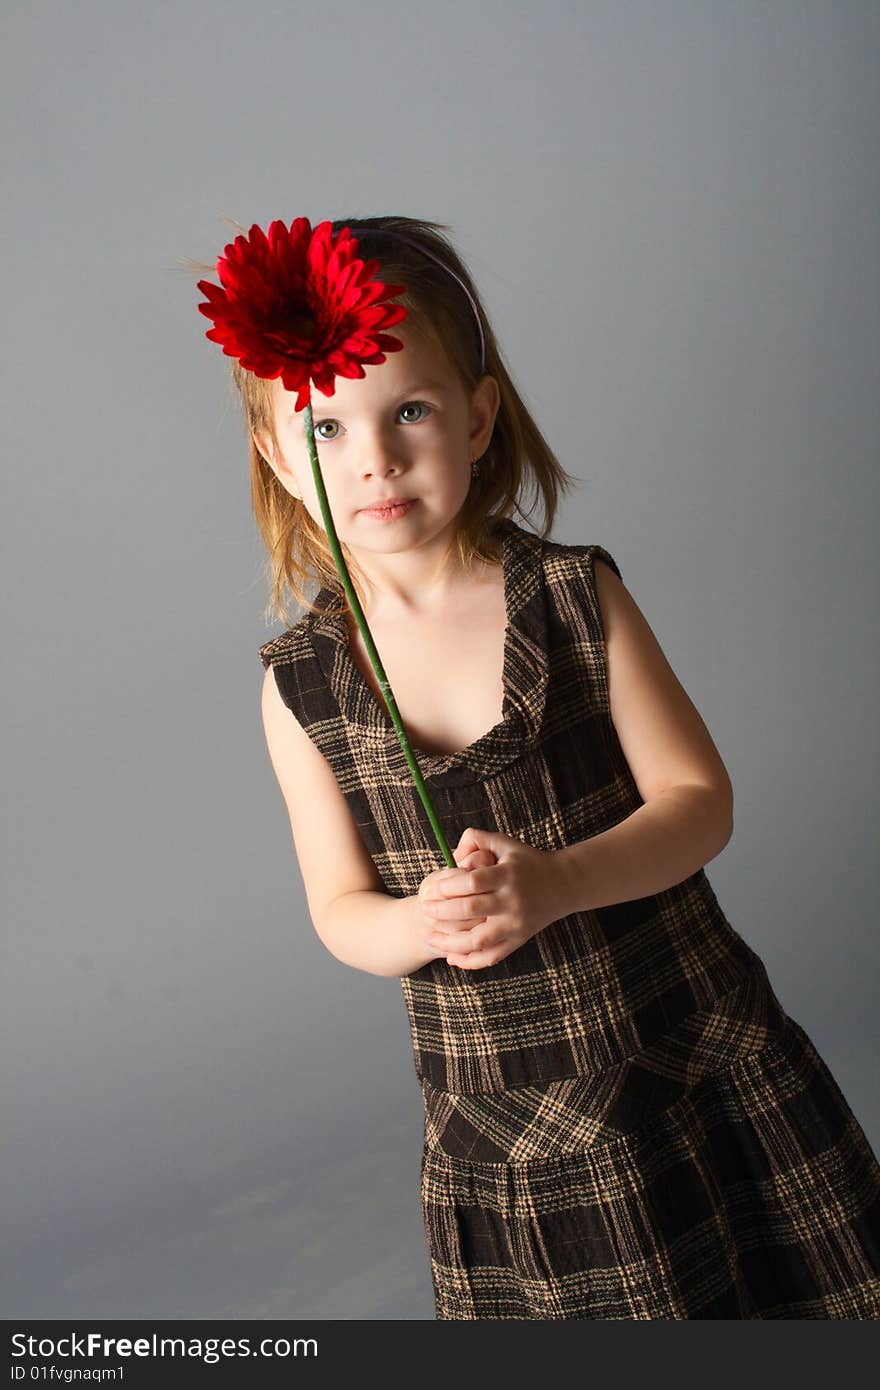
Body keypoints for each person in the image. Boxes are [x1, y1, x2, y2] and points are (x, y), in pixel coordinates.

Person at [239, 215, 880, 1319]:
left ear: (478, 415)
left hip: (680, 1056)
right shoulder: (301, 686)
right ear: (276, 458)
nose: (375, 458)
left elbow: (699, 801)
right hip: (513, 1121)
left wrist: (557, 882)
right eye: (326, 427)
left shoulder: (572, 598)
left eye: (410, 411)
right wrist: (421, 924)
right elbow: (340, 906)